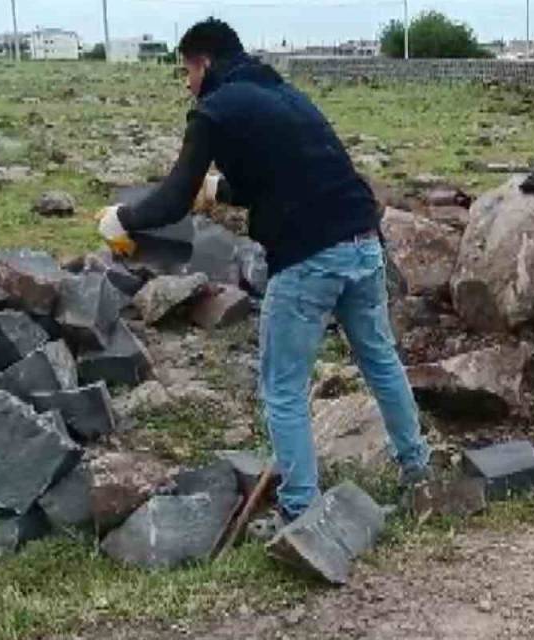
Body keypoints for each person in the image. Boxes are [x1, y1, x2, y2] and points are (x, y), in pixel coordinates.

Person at [95, 18, 431, 523]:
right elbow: (281, 174)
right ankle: (418, 472)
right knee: (380, 361)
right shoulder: (281, 94)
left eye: (187, 72)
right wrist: (219, 190)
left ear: (204, 62)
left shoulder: (213, 110)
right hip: (363, 243)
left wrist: (123, 218)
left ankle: (300, 510)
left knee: (283, 388)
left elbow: (171, 200)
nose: (187, 84)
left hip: (309, 257)